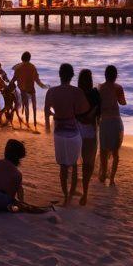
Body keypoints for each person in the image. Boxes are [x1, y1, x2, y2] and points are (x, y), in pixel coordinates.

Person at [43, 63, 88, 207]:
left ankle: (65, 195)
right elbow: (84, 110)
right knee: (74, 165)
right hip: (73, 133)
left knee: (63, 167)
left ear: (60, 75)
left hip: (59, 133)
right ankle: (70, 195)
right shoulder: (76, 92)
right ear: (72, 76)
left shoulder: (52, 91)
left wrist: (51, 122)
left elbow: (46, 111)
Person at [0, 140, 47, 213]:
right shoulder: (17, 174)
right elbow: (12, 194)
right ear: (19, 157)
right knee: (10, 201)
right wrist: (21, 202)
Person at [98, 64, 127, 185]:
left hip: (104, 122)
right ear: (116, 76)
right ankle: (112, 180)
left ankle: (104, 174)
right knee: (115, 153)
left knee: (104, 152)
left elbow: (98, 105)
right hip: (115, 122)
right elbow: (123, 103)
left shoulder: (99, 88)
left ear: (105, 75)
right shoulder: (118, 88)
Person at [76, 69, 101, 205]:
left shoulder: (76, 93)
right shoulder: (95, 93)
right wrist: (90, 116)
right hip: (90, 130)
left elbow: (73, 112)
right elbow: (98, 113)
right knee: (88, 163)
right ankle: (85, 192)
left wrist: (81, 117)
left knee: (74, 162)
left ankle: (72, 190)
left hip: (77, 130)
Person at [12, 51, 45, 126]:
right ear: (29, 58)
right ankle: (35, 123)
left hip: (23, 90)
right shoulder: (32, 67)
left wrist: (9, 86)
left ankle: (27, 122)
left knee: (26, 107)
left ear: (22, 58)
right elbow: (37, 80)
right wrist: (44, 86)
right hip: (31, 90)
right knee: (34, 107)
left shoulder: (18, 68)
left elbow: (14, 79)